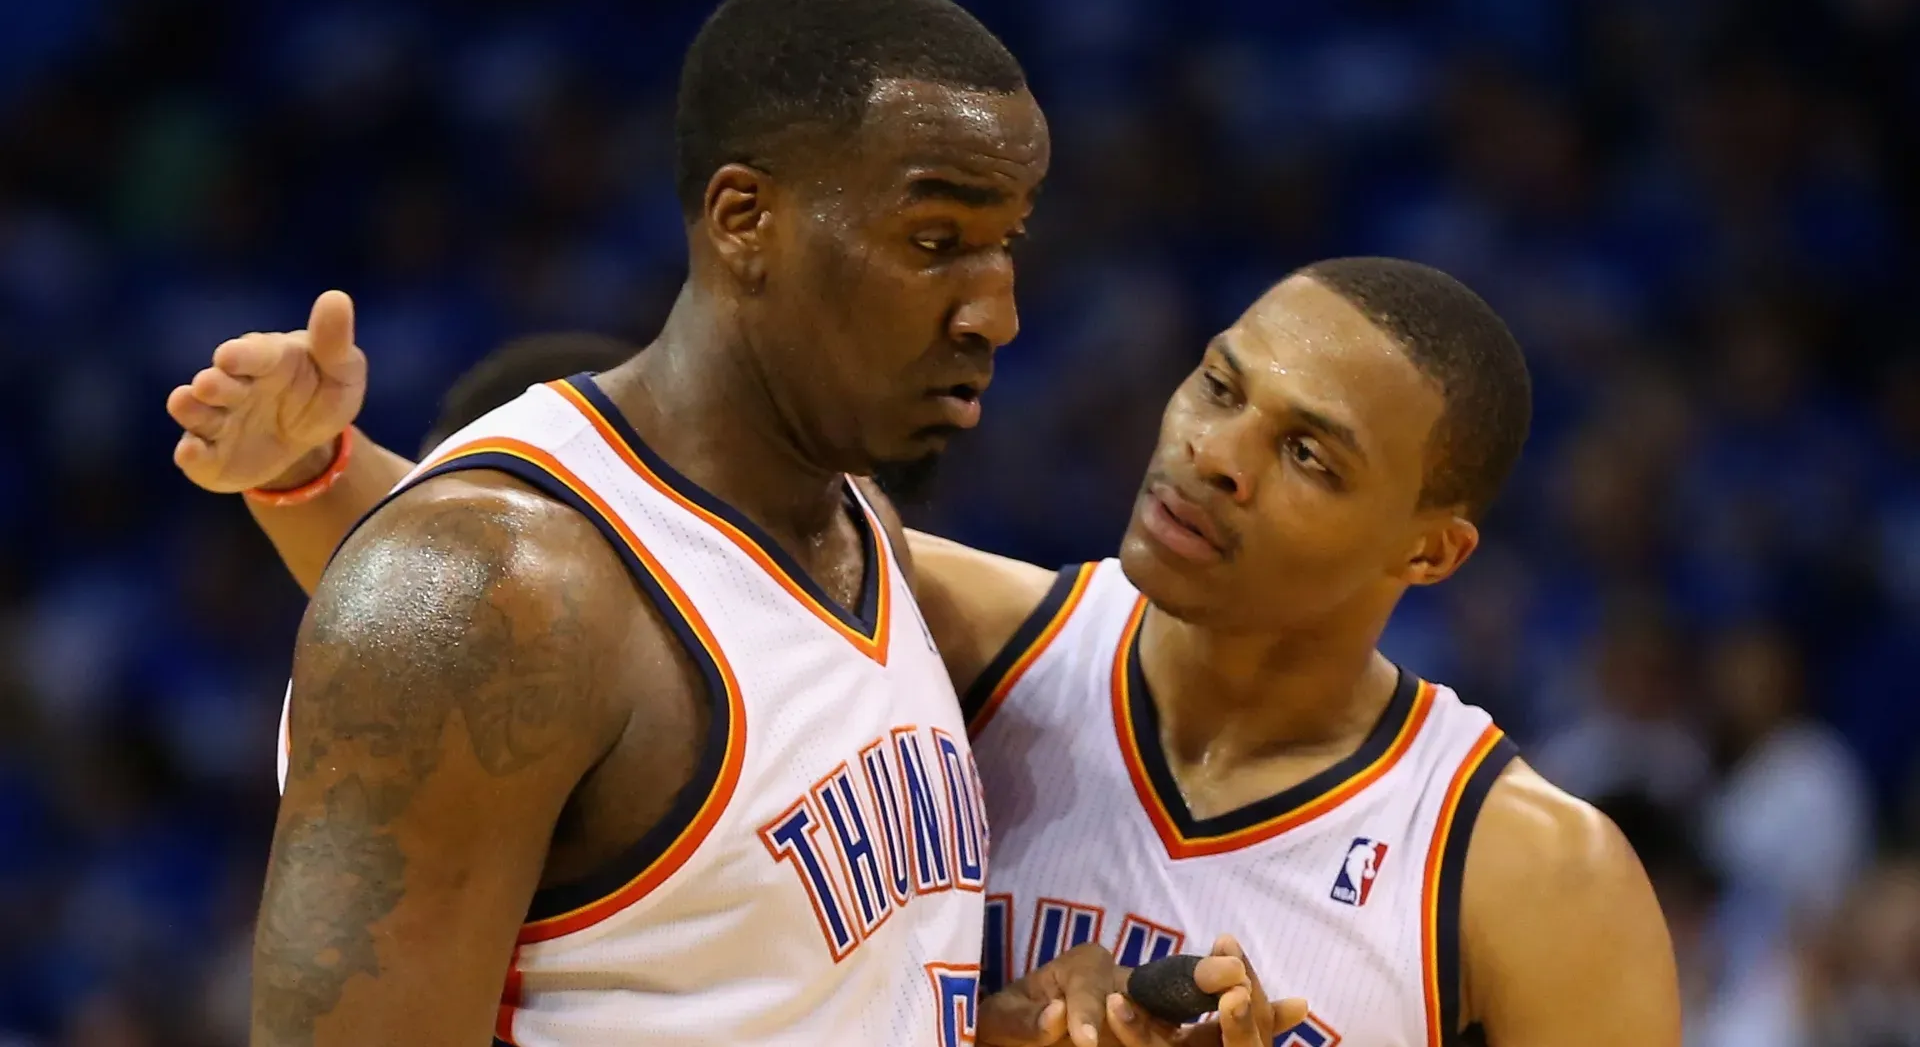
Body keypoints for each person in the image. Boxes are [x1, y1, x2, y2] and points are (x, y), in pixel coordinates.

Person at [177, 257, 1682, 1045]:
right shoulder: (955, 635)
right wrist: (315, 472)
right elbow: (556, 611)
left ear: (1430, 549)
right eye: (1220, 386)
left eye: (1310, 455)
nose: (1218, 455)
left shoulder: (1525, 876)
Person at [161, 0, 1105, 1042]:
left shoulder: (857, 527)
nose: (998, 313)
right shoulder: (488, 588)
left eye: (1007, 246)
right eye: (937, 242)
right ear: (746, 218)